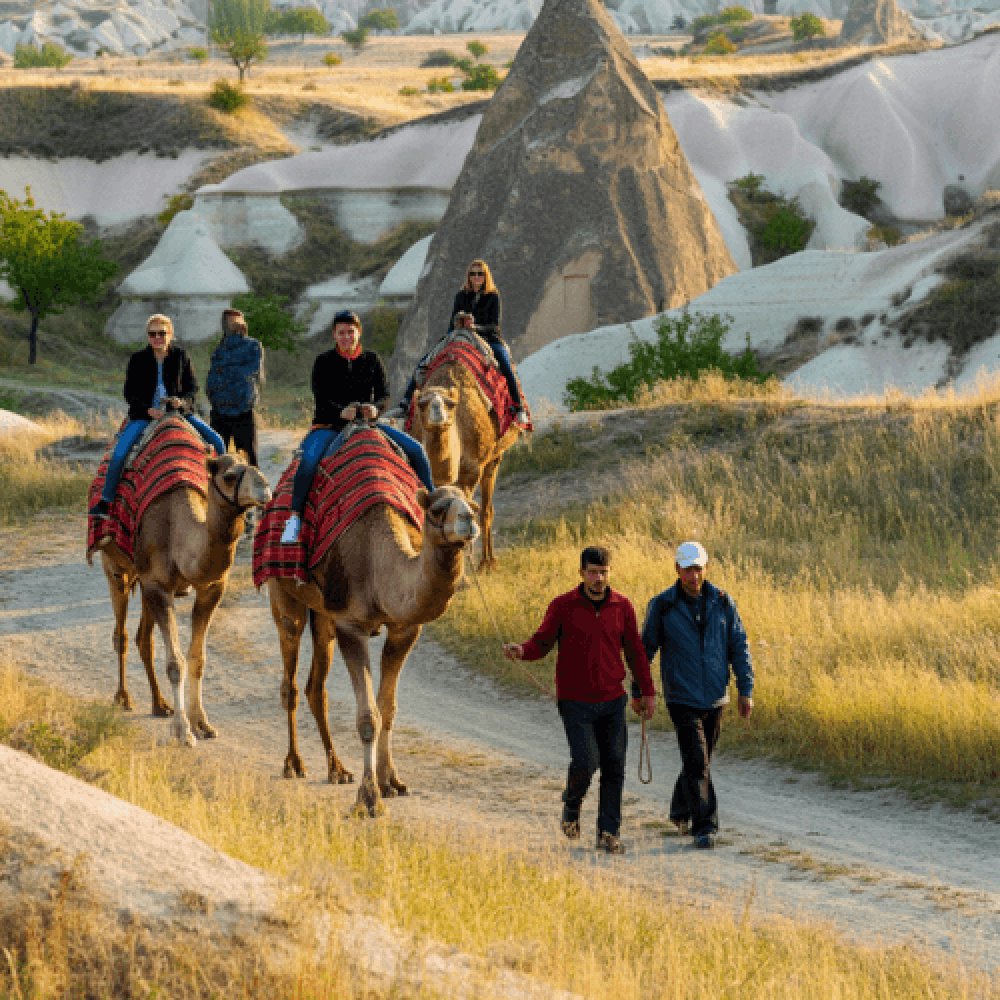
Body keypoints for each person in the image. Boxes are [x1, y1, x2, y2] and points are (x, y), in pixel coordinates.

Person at [503, 546, 656, 855]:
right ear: (581, 573)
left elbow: (636, 653)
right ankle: (571, 806)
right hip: (575, 701)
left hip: (613, 699)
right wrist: (522, 650)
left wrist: (647, 692)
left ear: (609, 573)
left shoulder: (622, 606)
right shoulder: (563, 606)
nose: (598, 578)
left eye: (603, 572)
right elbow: (542, 642)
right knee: (586, 762)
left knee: (614, 766)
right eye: (592, 572)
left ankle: (608, 833)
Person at [280, 310, 434, 545]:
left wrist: (375, 408)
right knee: (308, 463)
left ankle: (433, 508)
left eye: (350, 332)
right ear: (334, 335)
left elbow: (384, 395)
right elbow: (321, 398)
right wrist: (341, 411)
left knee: (416, 451)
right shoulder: (323, 362)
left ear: (358, 333)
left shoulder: (372, 360)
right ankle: (294, 518)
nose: (346, 337)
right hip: (329, 425)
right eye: (341, 333)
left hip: (368, 424)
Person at [641, 542, 754, 850]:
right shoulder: (662, 605)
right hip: (681, 697)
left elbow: (738, 646)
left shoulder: (722, 601)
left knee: (699, 761)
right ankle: (704, 826)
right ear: (677, 569)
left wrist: (746, 689)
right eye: (688, 569)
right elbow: (645, 650)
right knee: (698, 761)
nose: (694, 575)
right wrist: (640, 690)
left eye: (698, 568)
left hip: (716, 696)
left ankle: (680, 811)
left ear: (706, 568)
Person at [89, 314, 225, 520]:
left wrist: (181, 402)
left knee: (217, 441)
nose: (157, 338)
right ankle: (106, 502)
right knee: (119, 454)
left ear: (170, 335)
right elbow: (129, 393)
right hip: (144, 415)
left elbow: (192, 389)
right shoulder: (138, 359)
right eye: (152, 334)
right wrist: (146, 410)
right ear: (148, 336)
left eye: (162, 333)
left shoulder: (181, 356)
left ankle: (222, 494)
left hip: (177, 413)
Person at [392, 259, 530, 428]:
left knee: (505, 366)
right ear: (469, 276)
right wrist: (459, 323)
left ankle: (518, 408)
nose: (477, 277)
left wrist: (475, 326)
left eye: (480, 273)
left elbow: (494, 325)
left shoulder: (493, 296)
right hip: (460, 335)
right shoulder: (461, 295)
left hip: (487, 337)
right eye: (473, 274)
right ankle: (405, 403)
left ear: (486, 276)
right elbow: (452, 322)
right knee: (425, 361)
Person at [206, 308, 264, 467]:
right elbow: (214, 376)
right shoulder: (219, 349)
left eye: (239, 320)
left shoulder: (252, 345)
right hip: (219, 411)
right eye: (231, 322)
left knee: (248, 460)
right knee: (215, 460)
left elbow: (250, 372)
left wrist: (225, 370)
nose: (236, 324)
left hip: (242, 410)